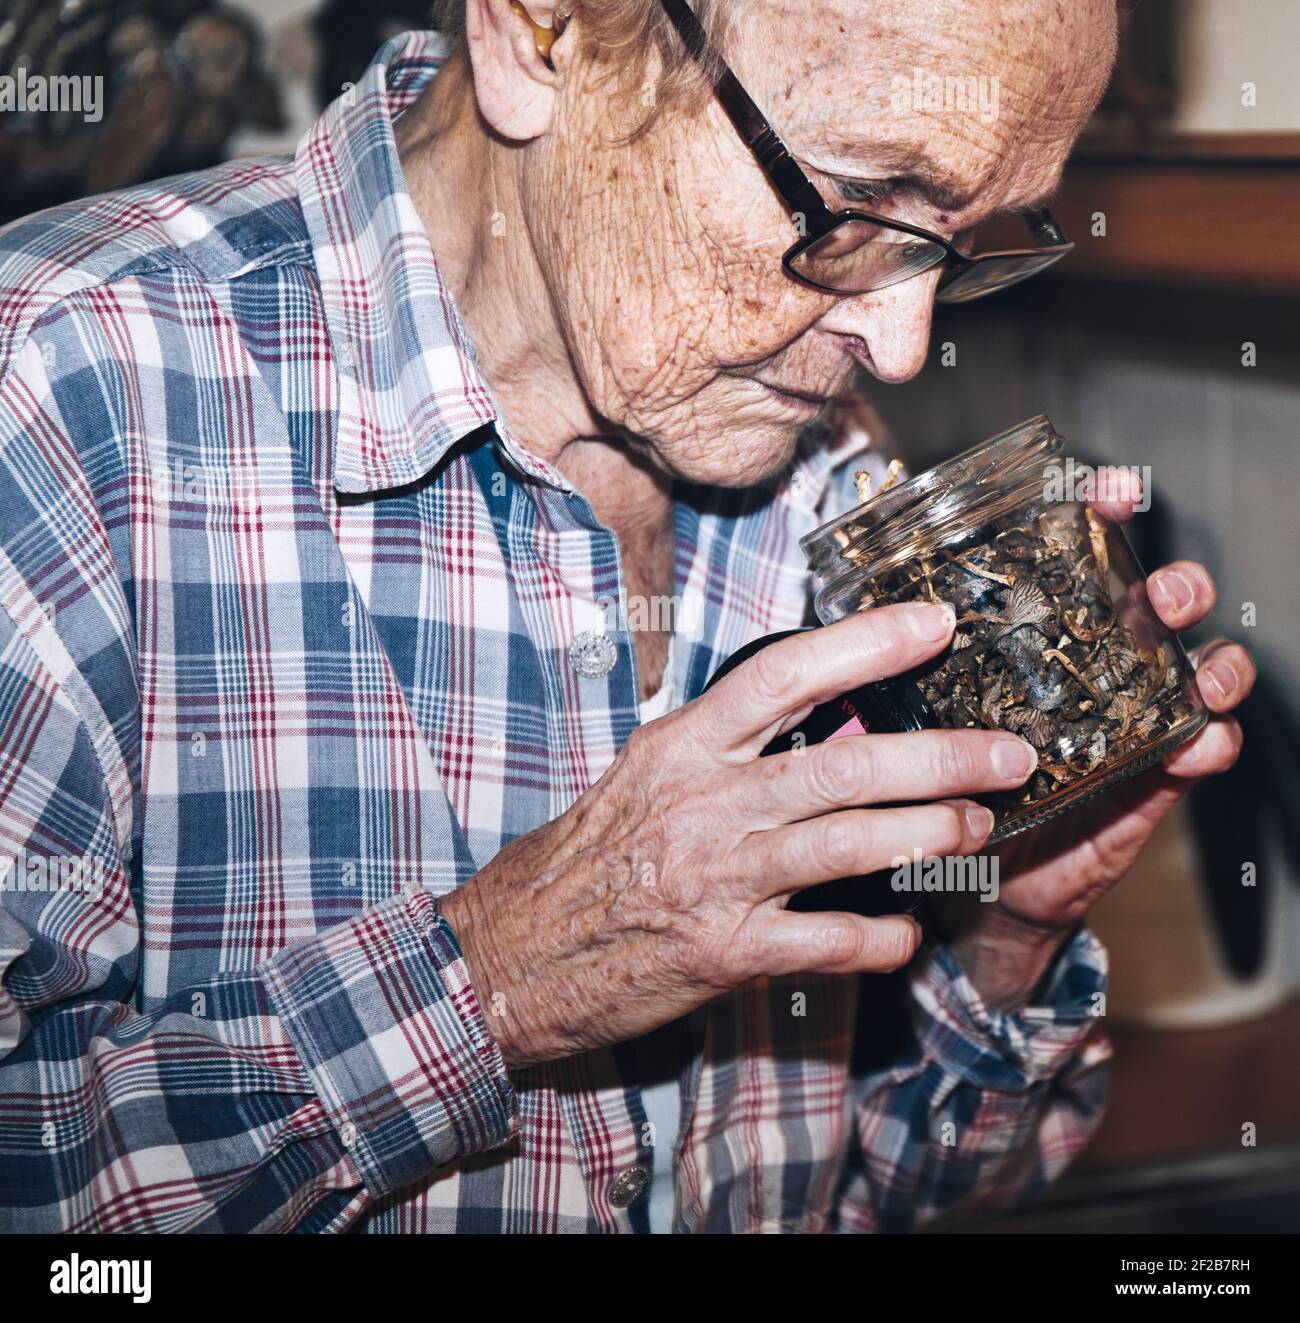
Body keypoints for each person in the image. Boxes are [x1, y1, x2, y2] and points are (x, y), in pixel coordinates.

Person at [0, 0, 1251, 1233]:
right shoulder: (63, 387)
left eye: (967, 242)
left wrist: (999, 933)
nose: (901, 343)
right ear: (540, 33)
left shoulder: (823, 455)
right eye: (856, 201)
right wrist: (489, 985)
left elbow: (885, 1186)